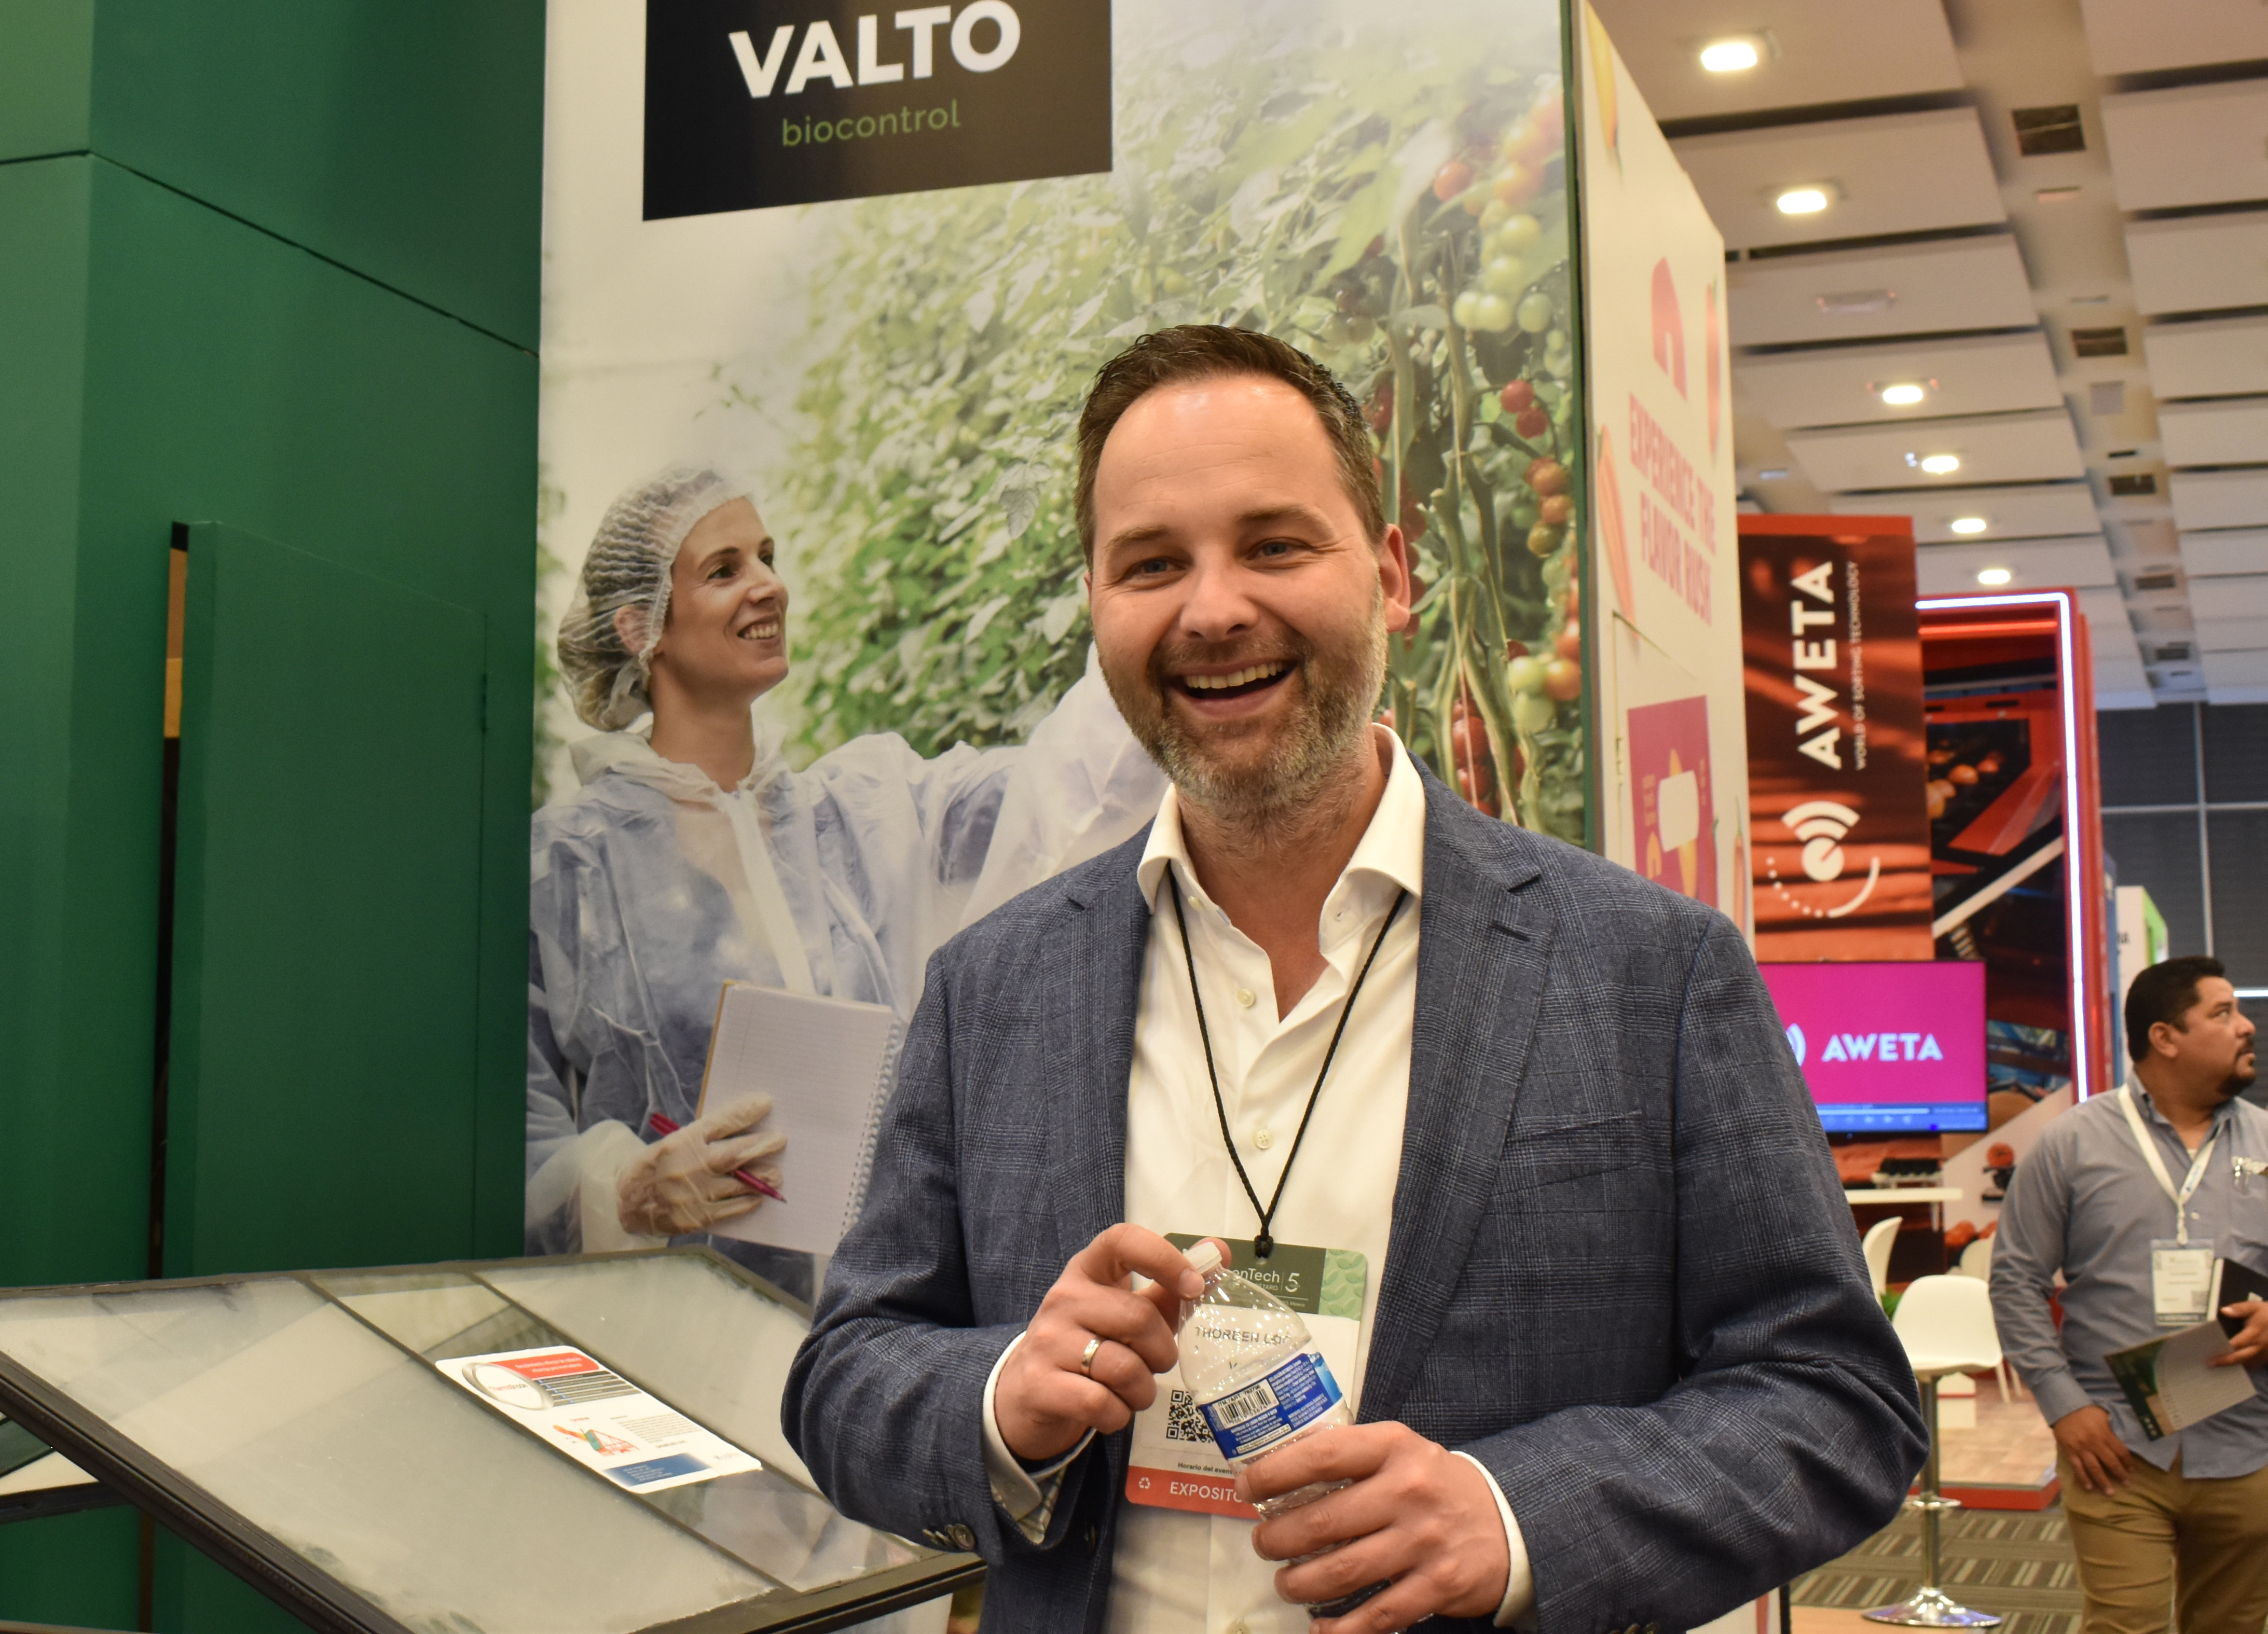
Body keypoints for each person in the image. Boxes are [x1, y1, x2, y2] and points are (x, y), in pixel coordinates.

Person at [784, 326, 1927, 1634]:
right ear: (1097, 603)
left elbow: (1835, 1400)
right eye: (1152, 563)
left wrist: (1515, 1515)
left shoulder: (1648, 971)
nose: (1213, 608)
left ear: (1392, 574)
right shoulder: (993, 987)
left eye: (1274, 544)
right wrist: (1002, 1398)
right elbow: (845, 1376)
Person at [528, 465, 1163, 1296]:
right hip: (676, 1335)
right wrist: (625, 1190)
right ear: (641, 626)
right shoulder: (568, 864)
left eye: (767, 556)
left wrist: (1149, 606)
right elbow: (502, 1136)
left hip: (884, 1322)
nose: (768, 585)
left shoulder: (870, 811)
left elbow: (1071, 791)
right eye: (724, 570)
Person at [1987, 958, 2268, 1634]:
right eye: (2223, 1013)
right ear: (2165, 1038)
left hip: (2246, 1443)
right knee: (2126, 1624)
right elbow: (2016, 1280)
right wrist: (2063, 1405)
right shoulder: (2071, 1145)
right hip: (2115, 1447)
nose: (2247, 1026)